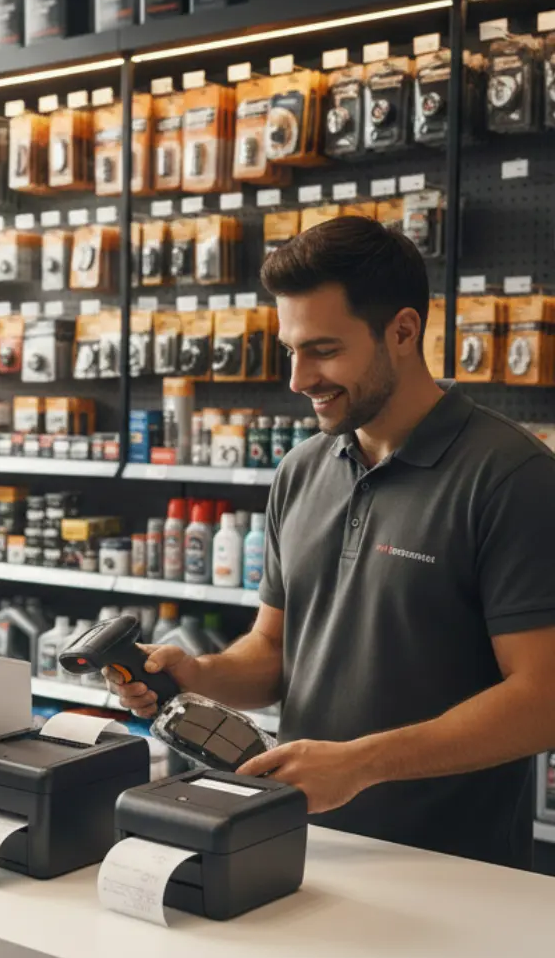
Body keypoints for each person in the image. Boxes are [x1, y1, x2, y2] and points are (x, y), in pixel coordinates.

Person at [110, 216, 555, 869]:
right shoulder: (302, 470)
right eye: (291, 350)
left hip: (453, 869)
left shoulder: (512, 477)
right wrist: (199, 675)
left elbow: (543, 698)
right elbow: (274, 650)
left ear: (403, 331)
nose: (298, 379)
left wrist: (362, 763)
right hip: (298, 841)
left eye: (322, 350)